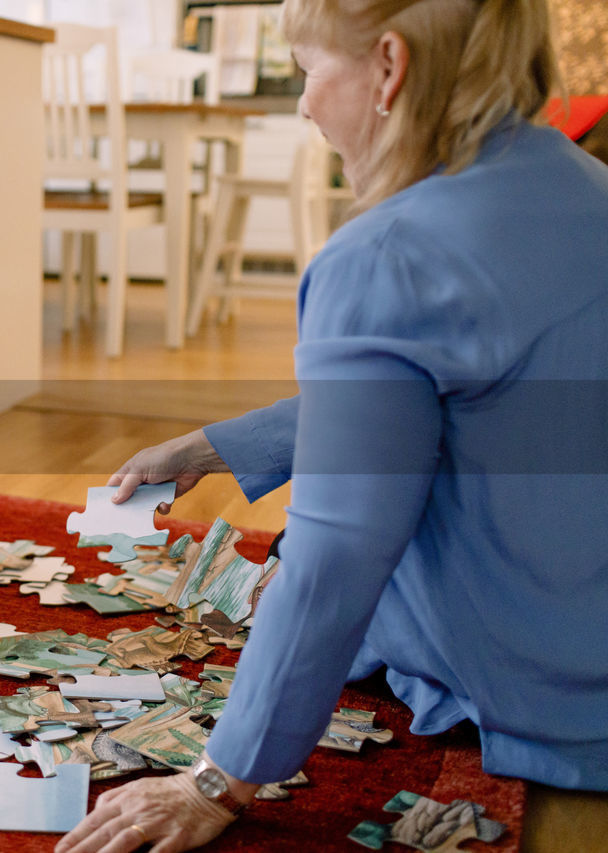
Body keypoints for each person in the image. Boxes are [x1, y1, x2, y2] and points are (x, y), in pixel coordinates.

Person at [59, 0, 608, 850]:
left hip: (561, 682)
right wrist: (214, 447)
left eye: (311, 71)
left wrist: (219, 779)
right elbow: (454, 398)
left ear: (389, 67)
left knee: (291, 567)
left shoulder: (386, 255)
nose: (306, 106)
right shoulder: (590, 187)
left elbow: (340, 554)